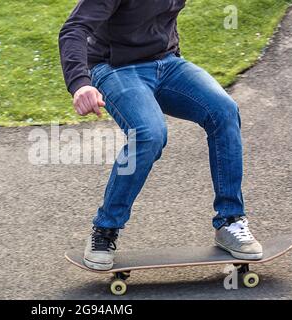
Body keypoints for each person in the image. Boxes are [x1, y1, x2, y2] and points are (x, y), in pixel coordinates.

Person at [58, 0, 262, 271]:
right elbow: (74, 28)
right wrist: (80, 84)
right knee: (149, 134)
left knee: (224, 112)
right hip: (114, 69)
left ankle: (230, 221)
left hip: (167, 64)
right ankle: (105, 231)